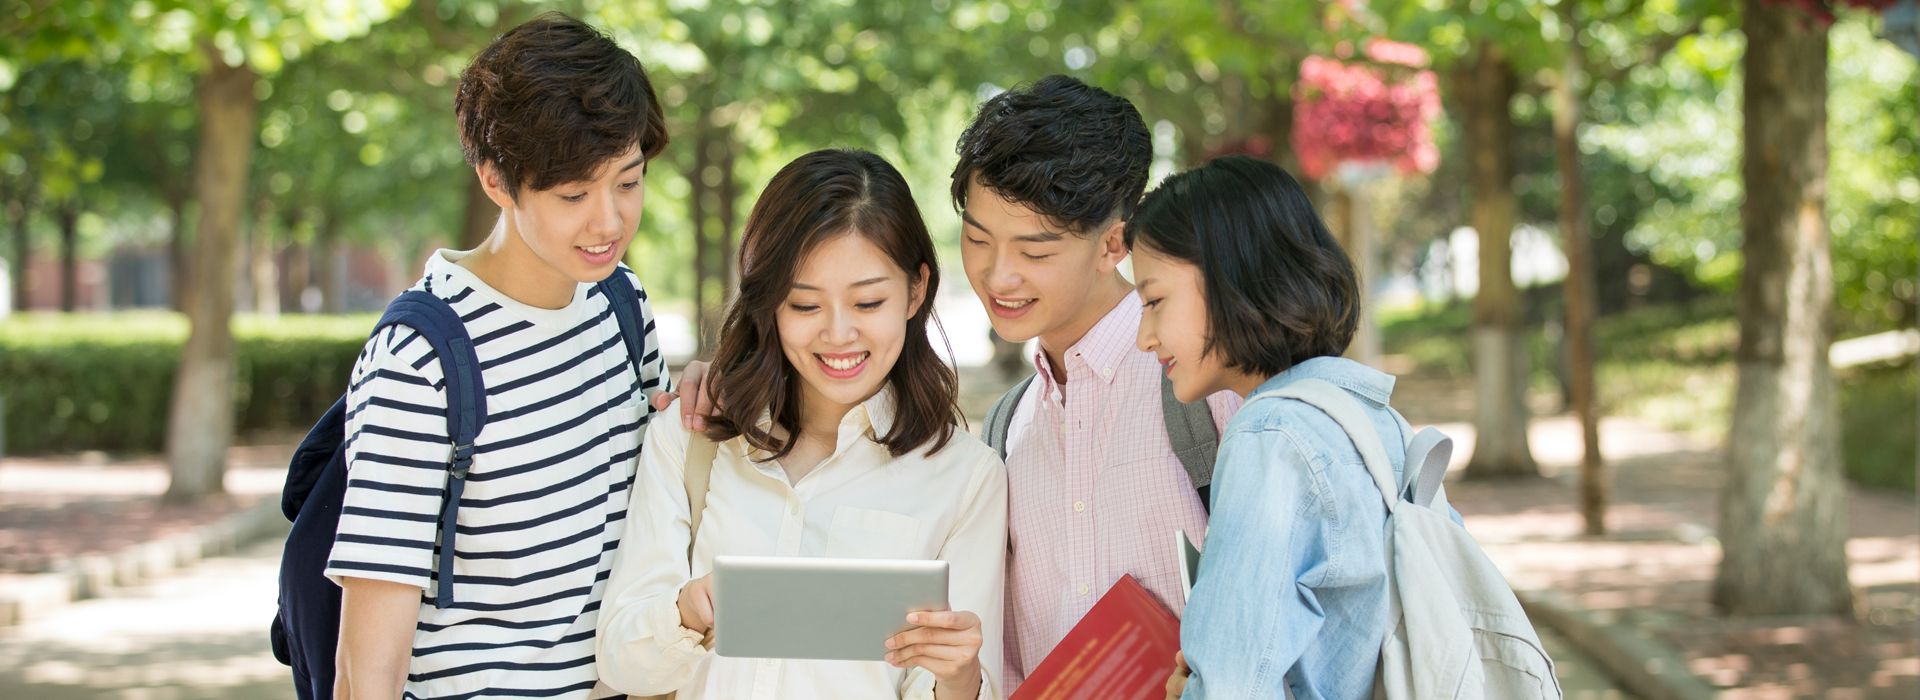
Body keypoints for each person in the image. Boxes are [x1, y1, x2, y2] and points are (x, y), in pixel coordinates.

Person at [323, 13, 702, 700]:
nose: (609, 221)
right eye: (573, 195)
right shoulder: (422, 359)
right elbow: (364, 674)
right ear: (496, 180)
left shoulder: (620, 305)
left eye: (628, 181)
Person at [596, 148, 1008, 700]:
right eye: (804, 306)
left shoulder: (965, 476)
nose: (838, 335)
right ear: (767, 302)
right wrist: (689, 613)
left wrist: (959, 677)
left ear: (915, 290)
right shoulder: (692, 438)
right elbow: (621, 664)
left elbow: (945, 682)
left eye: (867, 302)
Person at [949, 74, 1242, 691]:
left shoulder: (1209, 384)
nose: (998, 276)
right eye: (978, 239)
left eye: (1035, 252)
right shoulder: (1006, 428)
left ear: (1114, 243)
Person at [1129, 155, 1417, 699]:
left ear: (1233, 277)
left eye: (1154, 301)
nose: (1145, 336)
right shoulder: (1372, 417)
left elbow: (1232, 685)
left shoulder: (1269, 438)